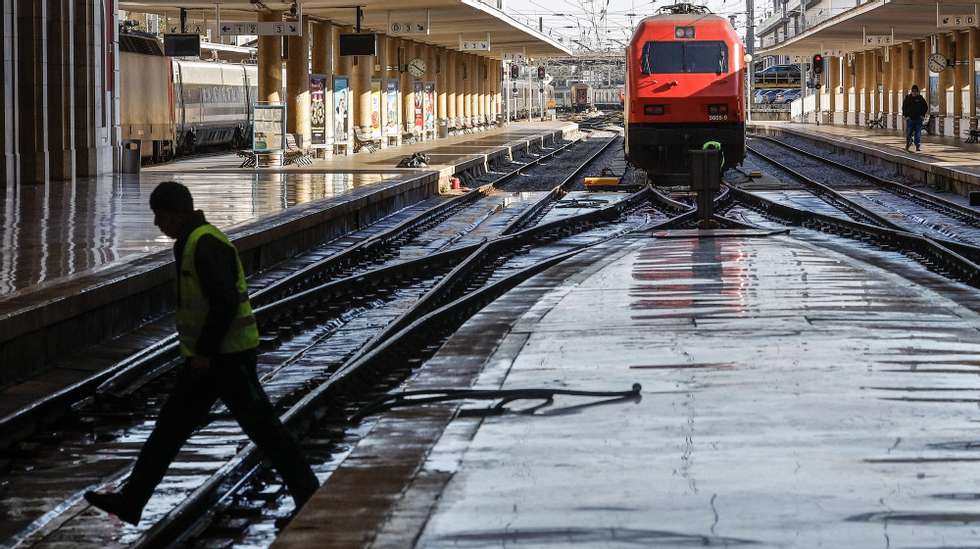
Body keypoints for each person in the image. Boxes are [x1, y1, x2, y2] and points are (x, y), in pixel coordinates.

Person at [84, 181, 318, 525]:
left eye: (159, 216)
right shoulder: (191, 242)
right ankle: (131, 501)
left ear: (176, 214)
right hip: (209, 360)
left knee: (265, 431)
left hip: (227, 358)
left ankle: (308, 493)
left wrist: (205, 352)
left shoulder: (206, 243)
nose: (156, 224)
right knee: (170, 429)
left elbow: (224, 302)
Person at [902, 84, 929, 152]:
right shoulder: (908, 98)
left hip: (918, 119)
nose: (914, 93)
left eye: (915, 91)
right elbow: (904, 107)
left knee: (918, 133)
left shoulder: (920, 98)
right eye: (913, 91)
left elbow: (925, 107)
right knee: (909, 132)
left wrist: (922, 115)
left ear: (917, 92)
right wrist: (906, 116)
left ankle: (917, 145)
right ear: (911, 91)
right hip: (910, 119)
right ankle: (908, 143)